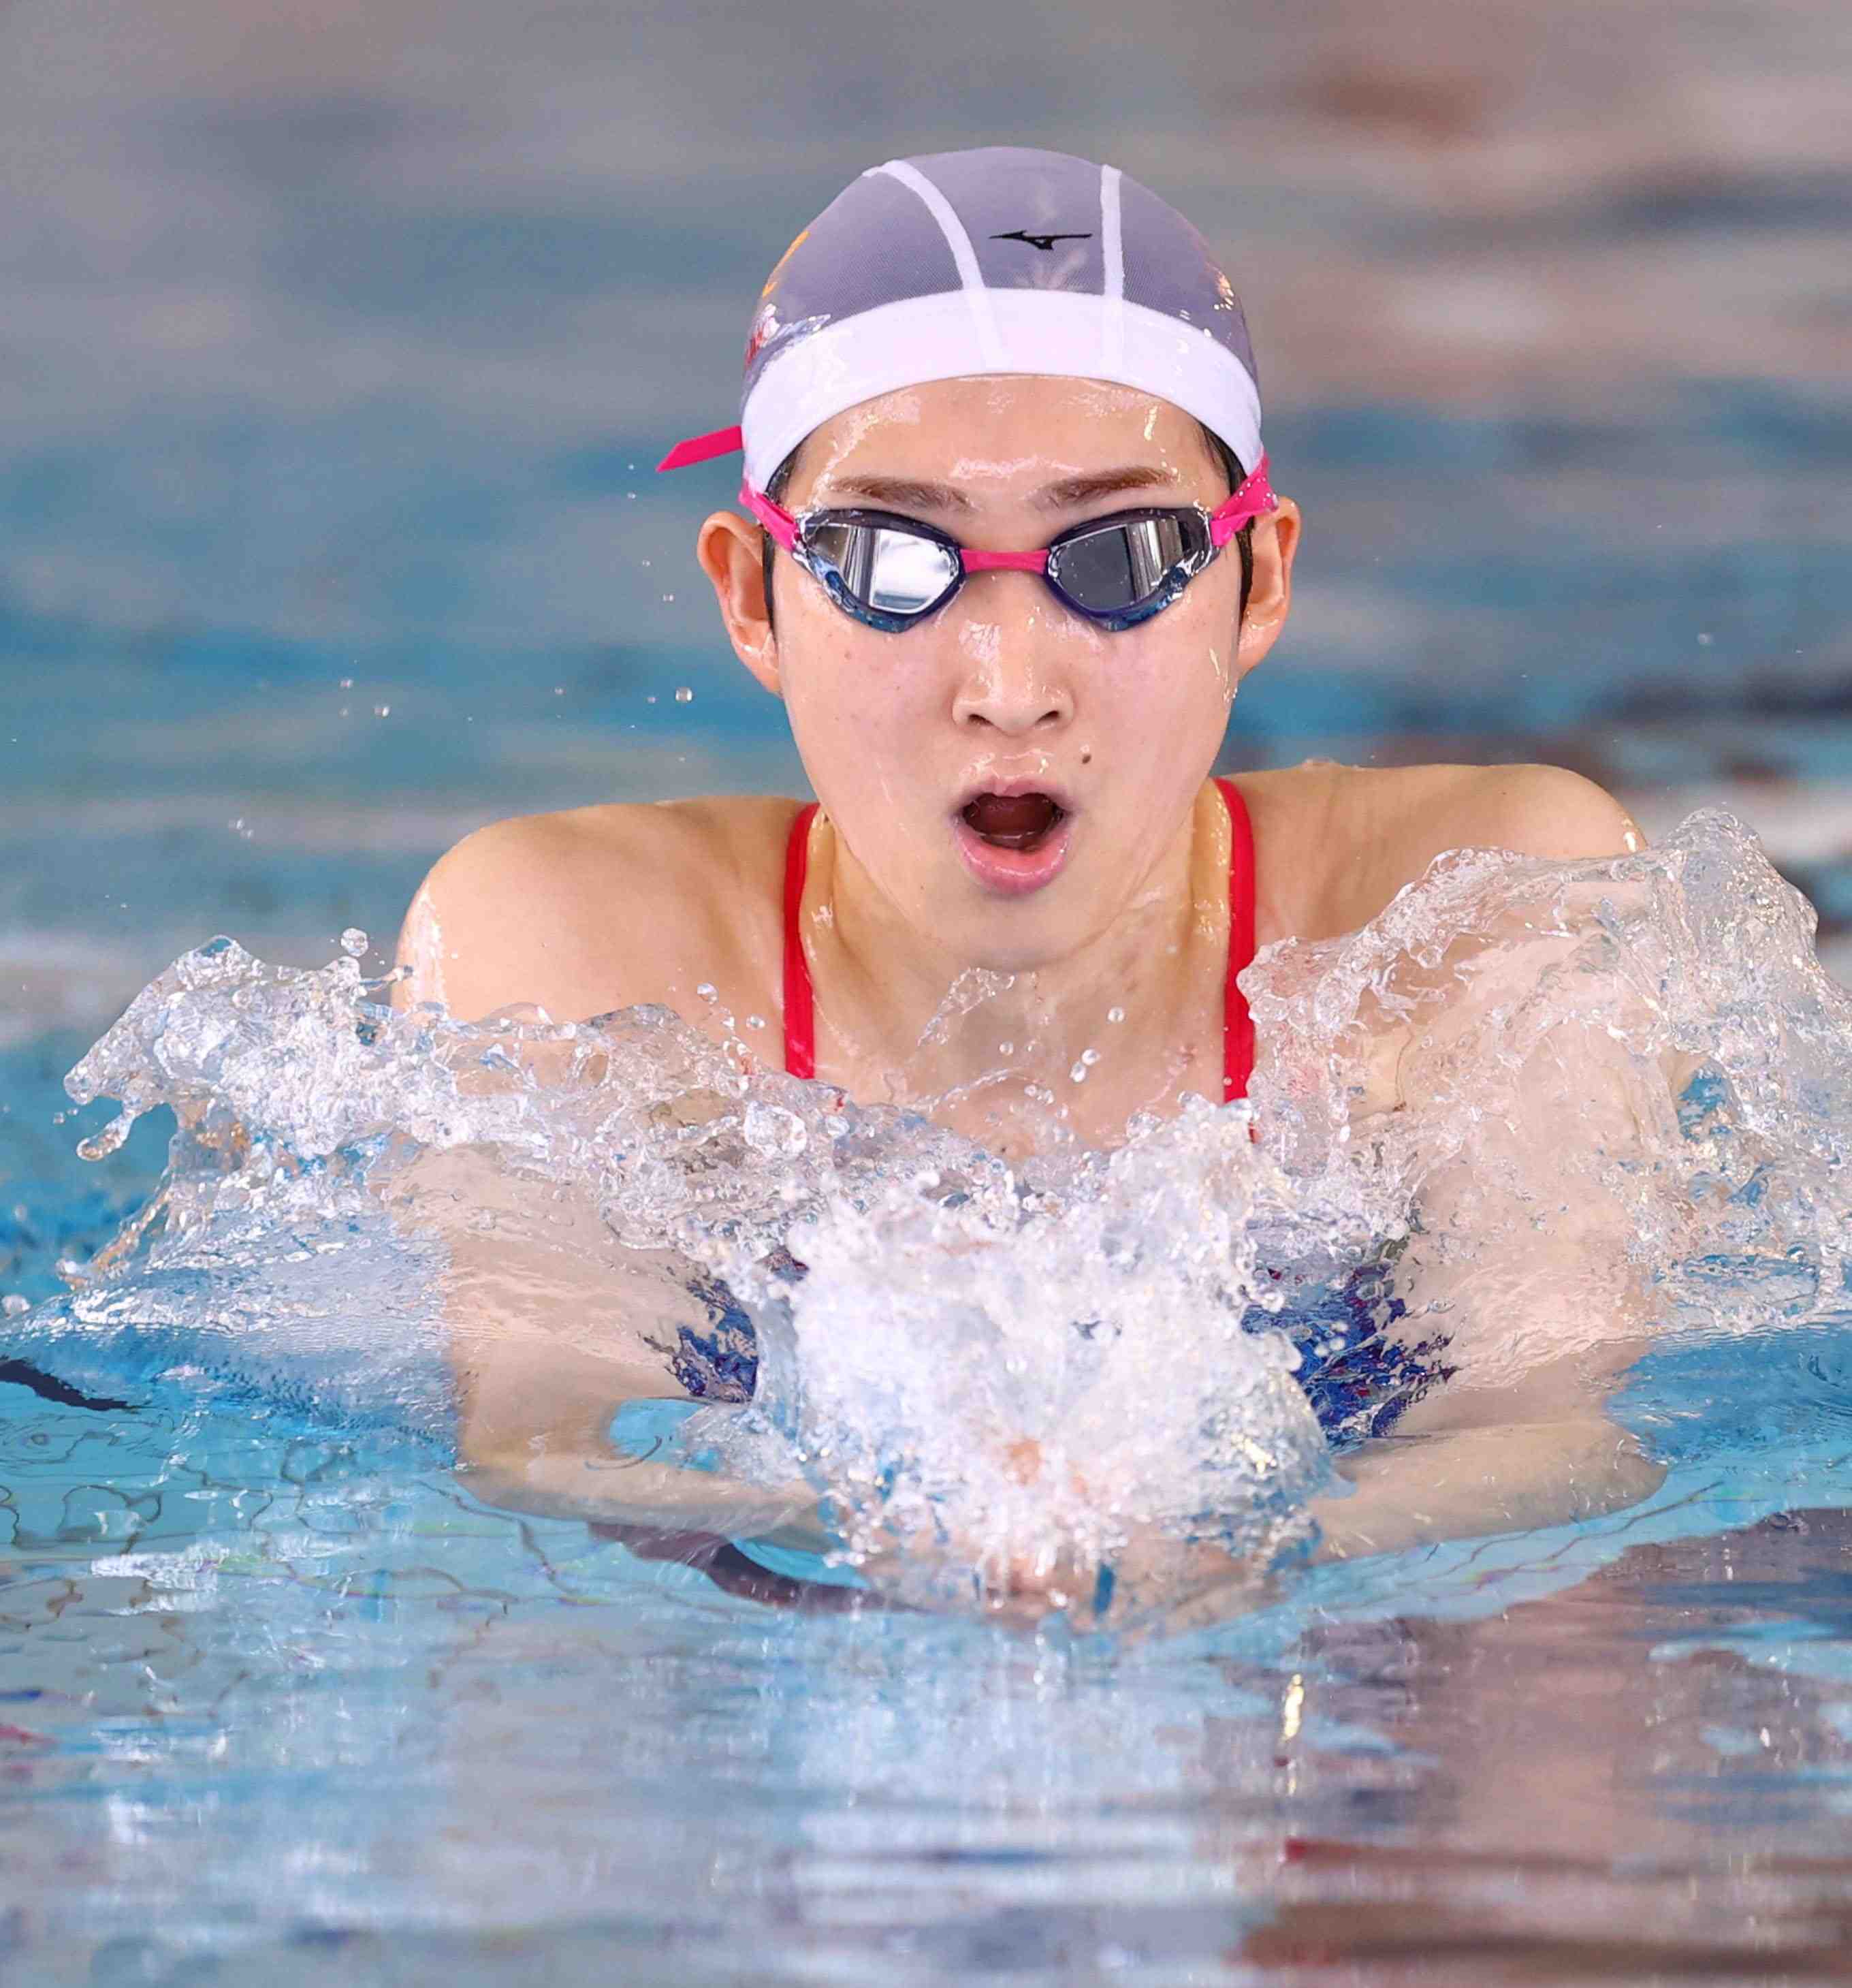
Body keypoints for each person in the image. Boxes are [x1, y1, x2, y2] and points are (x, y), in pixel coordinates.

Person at [392, 146, 1665, 1596]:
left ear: (1263, 583)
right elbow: (548, 1439)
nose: (1008, 686)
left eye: (1122, 556)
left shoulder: (1479, 920)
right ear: (751, 597)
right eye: (889, 558)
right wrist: (918, 1537)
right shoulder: (570, 952)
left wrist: (1237, 1549)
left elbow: (1543, 1434)